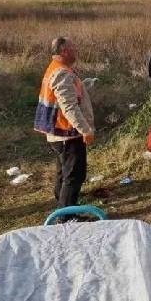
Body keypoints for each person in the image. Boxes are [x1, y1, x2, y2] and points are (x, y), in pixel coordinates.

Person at [34, 37, 95, 211]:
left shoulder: (55, 68)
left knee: (64, 172)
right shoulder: (62, 72)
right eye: (73, 47)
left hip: (59, 133)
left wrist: (83, 88)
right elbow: (68, 106)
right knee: (75, 174)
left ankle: (63, 205)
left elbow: (67, 96)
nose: (76, 50)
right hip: (66, 132)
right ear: (64, 51)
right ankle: (67, 214)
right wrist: (85, 129)